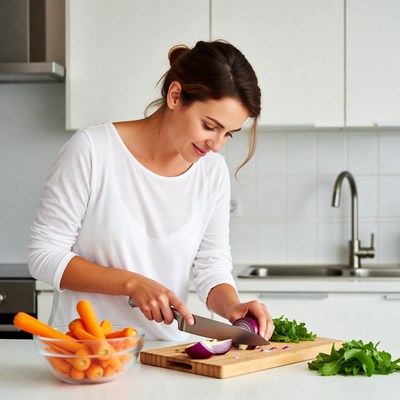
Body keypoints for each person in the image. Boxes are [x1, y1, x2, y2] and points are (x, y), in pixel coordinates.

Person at [28, 40, 274, 341]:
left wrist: (232, 306)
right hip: (86, 352)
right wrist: (131, 283)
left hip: (165, 354)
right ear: (175, 96)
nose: (217, 145)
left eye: (229, 135)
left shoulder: (212, 172)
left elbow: (212, 266)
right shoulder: (93, 150)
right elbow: (44, 255)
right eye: (210, 126)